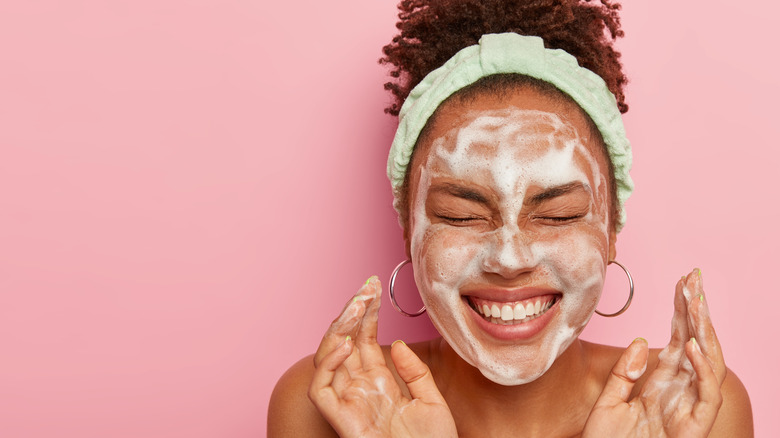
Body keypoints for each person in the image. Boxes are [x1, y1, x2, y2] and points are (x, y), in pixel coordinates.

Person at [268, 0, 753, 436]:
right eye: (460, 215)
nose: (510, 257)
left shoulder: (692, 407)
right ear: (410, 232)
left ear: (610, 231)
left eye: (558, 215)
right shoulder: (328, 404)